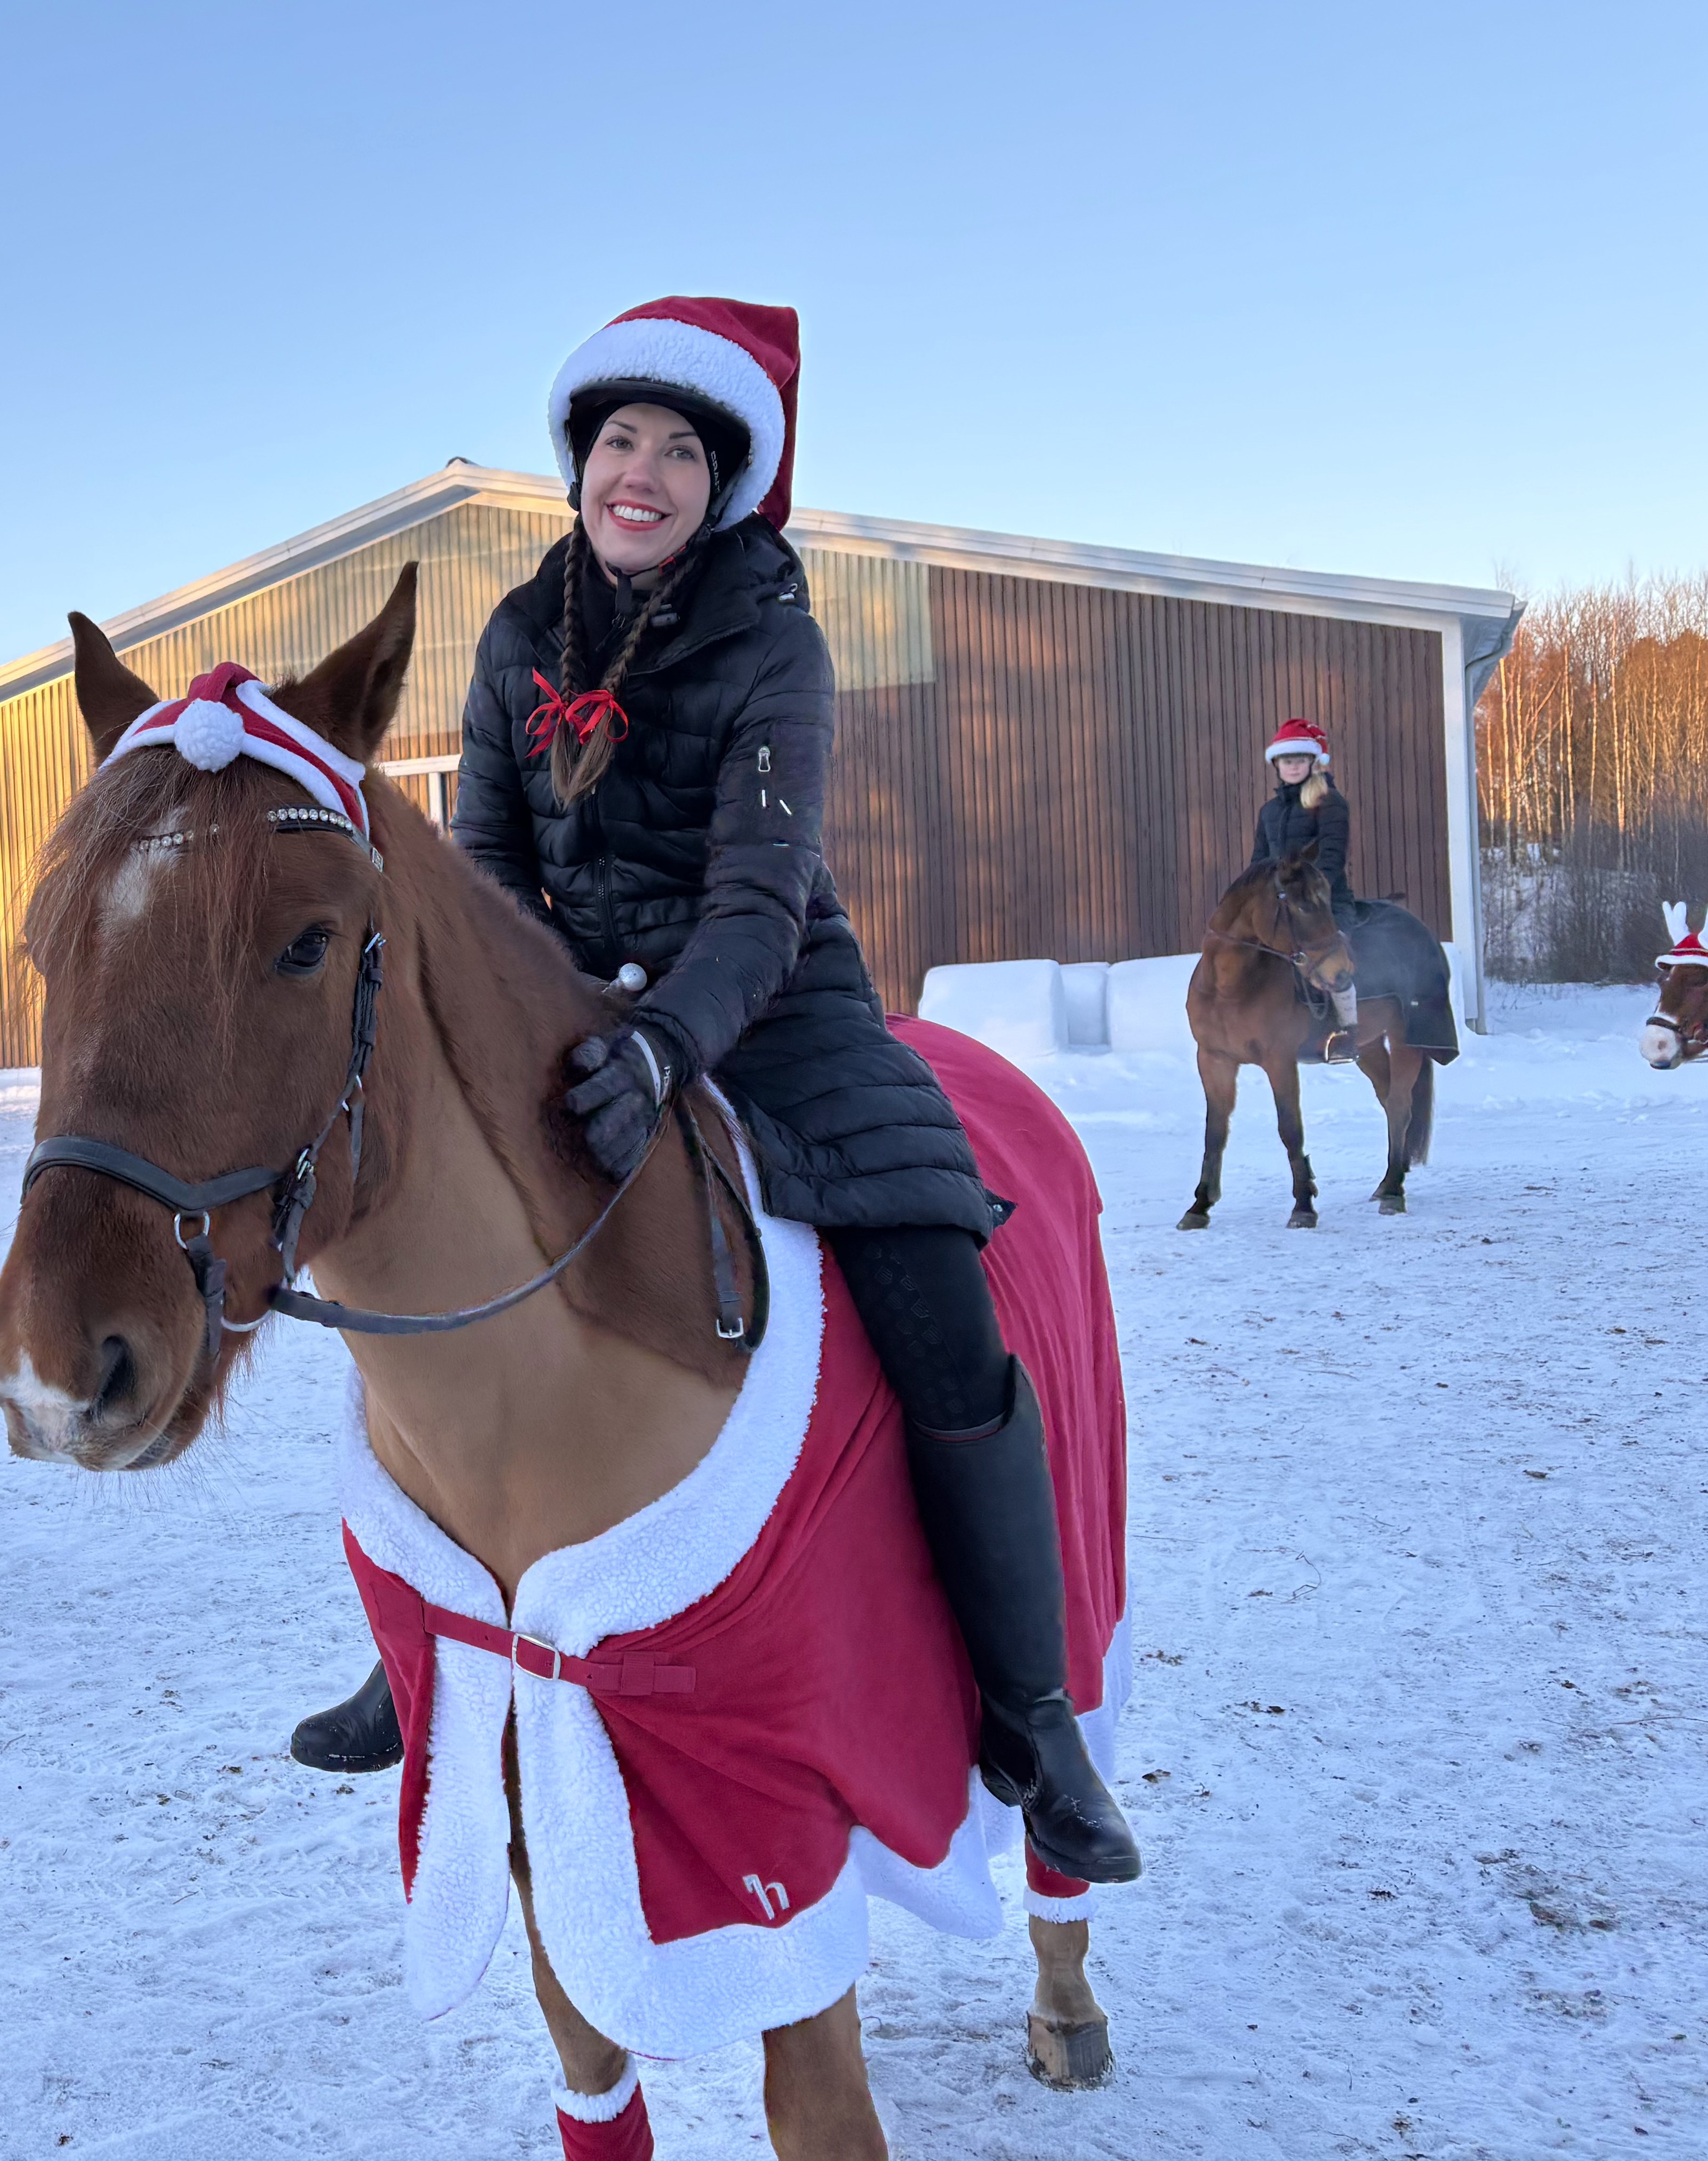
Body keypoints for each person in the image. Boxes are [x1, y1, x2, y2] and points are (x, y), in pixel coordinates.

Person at [289, 297, 1139, 1885]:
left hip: (766, 1007)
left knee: (936, 1295)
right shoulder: (514, 635)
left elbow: (758, 899)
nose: (644, 471)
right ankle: (420, 1648)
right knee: (419, 1254)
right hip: (562, 1007)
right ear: (579, 464)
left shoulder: (772, 640)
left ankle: (1032, 1712)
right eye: (620, 439)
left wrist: (661, 1043)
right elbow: (484, 863)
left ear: (720, 483)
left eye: (681, 450)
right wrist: (525, 1017)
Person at [1249, 719, 1359, 1062]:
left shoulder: (1330, 803)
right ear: (1277, 765)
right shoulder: (1269, 811)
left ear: (1313, 762)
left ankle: (1345, 1033)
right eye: (1287, 760)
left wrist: (1303, 895)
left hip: (1323, 901)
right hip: (1280, 904)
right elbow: (1259, 862)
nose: (1293, 766)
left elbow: (1332, 859)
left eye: (1300, 760)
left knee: (1332, 962)